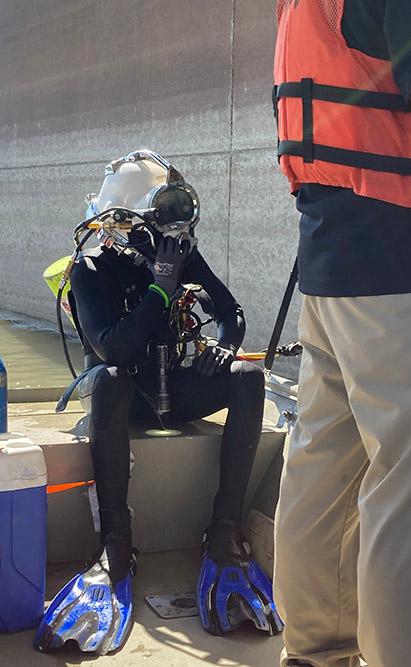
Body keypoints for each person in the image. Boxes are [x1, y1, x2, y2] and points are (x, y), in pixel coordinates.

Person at [33, 150, 283, 655]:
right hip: (127, 400)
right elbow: (116, 349)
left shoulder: (177, 253)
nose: (165, 238)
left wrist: (223, 347)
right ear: (124, 221)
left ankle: (224, 533)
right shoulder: (90, 268)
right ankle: (116, 545)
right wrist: (161, 290)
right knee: (108, 380)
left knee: (248, 378)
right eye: (154, 223)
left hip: (177, 389)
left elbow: (229, 309)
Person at [272, 1, 411, 666]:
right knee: (408, 479)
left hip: (330, 259)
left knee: (323, 460)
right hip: (399, 260)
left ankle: (311, 651)